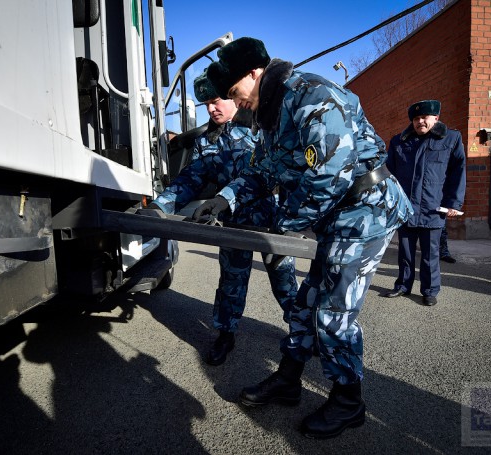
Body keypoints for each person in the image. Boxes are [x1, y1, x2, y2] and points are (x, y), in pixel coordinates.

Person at [194, 37, 412, 439]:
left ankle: (349, 402)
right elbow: (261, 173)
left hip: (366, 208)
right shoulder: (271, 118)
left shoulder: (312, 94)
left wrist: (284, 224)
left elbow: (328, 176)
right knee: (304, 305)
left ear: (255, 73)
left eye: (233, 91)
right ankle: (289, 381)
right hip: (336, 216)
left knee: (333, 311)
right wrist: (224, 201)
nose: (233, 100)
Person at [149, 69, 298, 366]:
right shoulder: (207, 140)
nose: (211, 108)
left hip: (273, 220)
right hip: (233, 222)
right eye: (205, 104)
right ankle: (225, 333)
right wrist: (160, 206)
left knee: (284, 280)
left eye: (216, 101)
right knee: (231, 280)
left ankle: (302, 332)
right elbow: (190, 178)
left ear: (232, 97)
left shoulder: (260, 126)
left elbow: (278, 170)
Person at [385, 100, 466, 306]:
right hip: (406, 208)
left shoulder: (451, 139)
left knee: (431, 254)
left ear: (436, 118)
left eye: (424, 118)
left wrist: (453, 204)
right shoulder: (399, 141)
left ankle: (430, 290)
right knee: (405, 251)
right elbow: (389, 175)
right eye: (416, 118)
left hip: (433, 207)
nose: (420, 121)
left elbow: (458, 173)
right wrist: (390, 202)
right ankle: (403, 286)